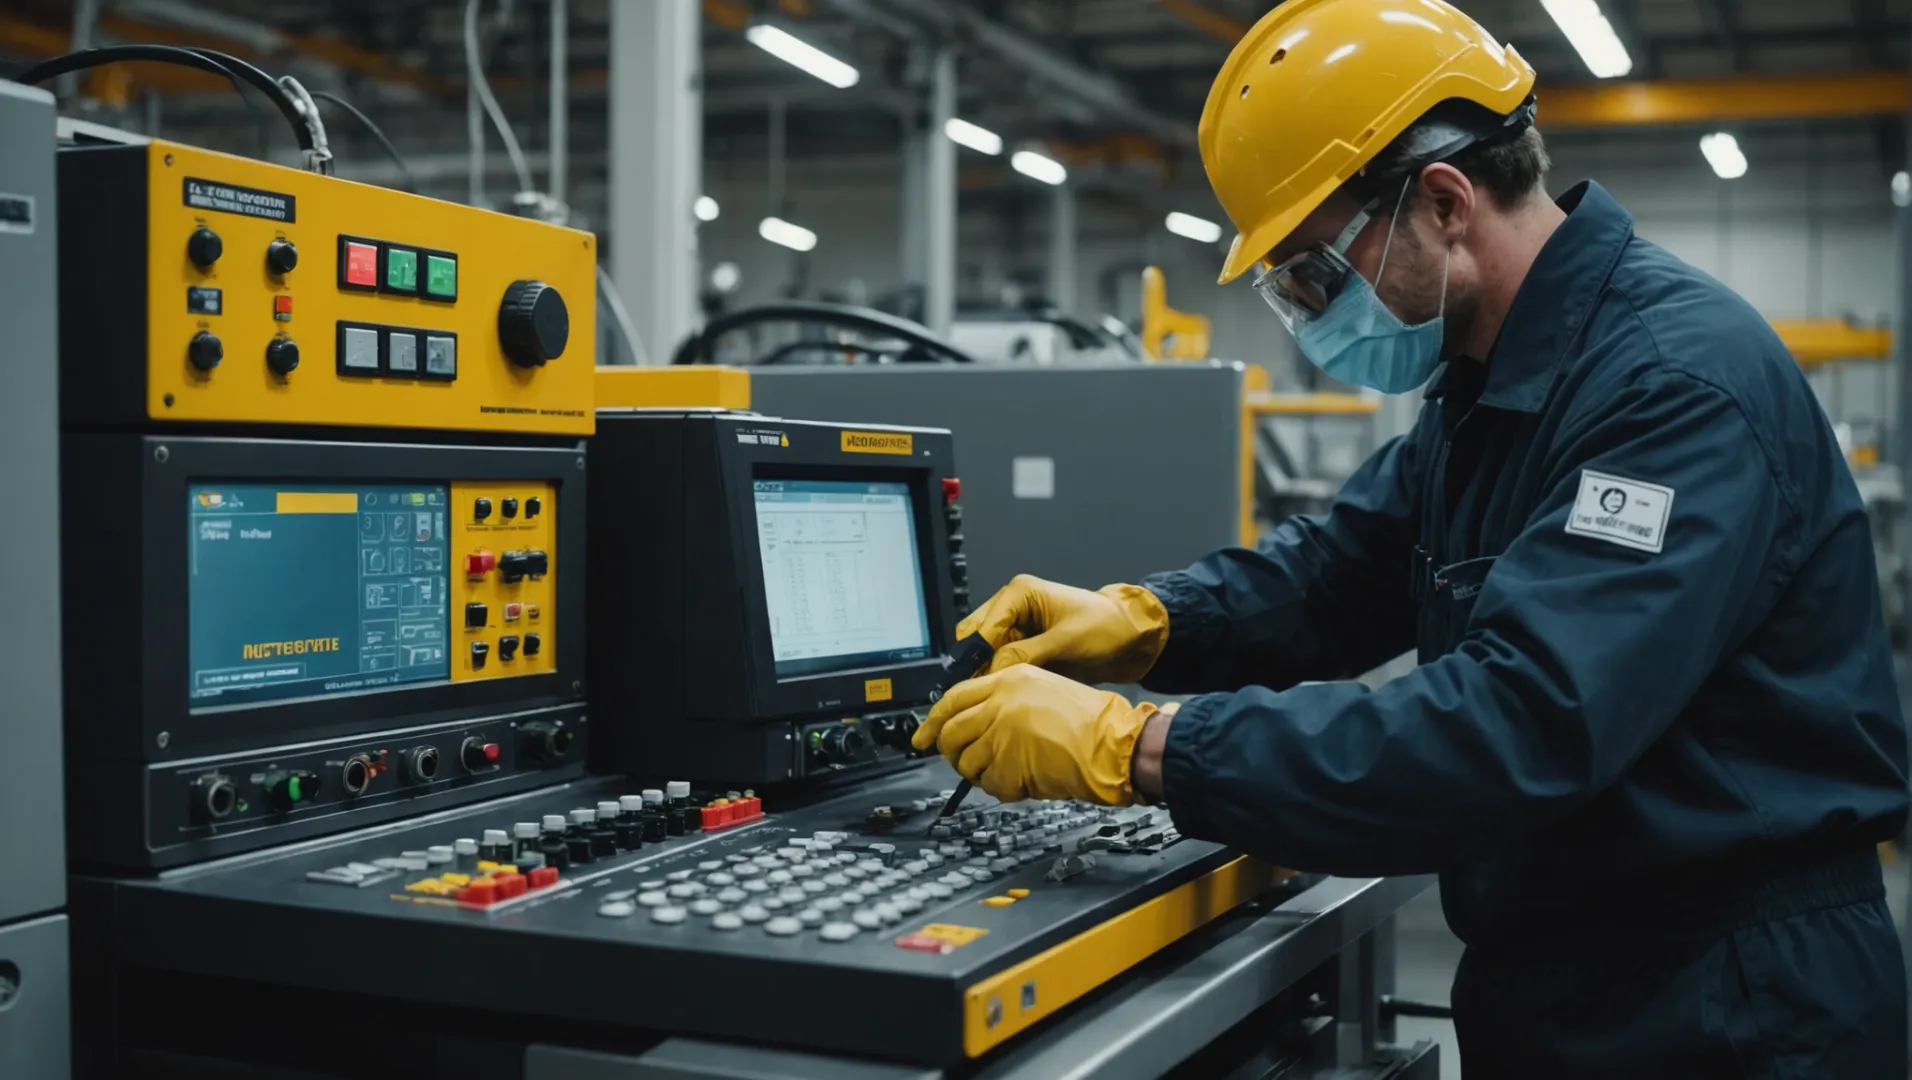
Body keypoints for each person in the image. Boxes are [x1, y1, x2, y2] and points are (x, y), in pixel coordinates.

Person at [911, 0, 1911, 1075]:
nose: (1304, 314)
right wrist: (1143, 622)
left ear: (1442, 203)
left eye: (1311, 274)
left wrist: (1136, 747)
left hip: (1729, 1004)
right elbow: (1340, 572)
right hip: (1579, 969)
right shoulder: (1490, 387)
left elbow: (1513, 726)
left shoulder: (1666, 388)